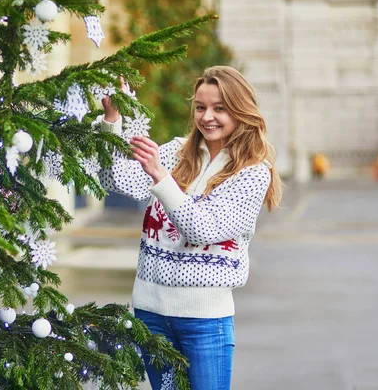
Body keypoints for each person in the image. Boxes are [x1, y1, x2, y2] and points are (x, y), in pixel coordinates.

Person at [96, 66, 282, 390]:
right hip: (150, 313)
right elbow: (116, 179)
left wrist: (160, 177)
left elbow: (202, 230)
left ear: (241, 110)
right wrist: (112, 120)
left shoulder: (253, 173)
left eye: (219, 108)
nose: (207, 116)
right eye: (200, 107)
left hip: (205, 321)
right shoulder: (178, 152)